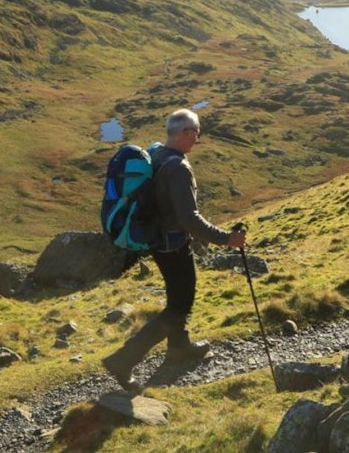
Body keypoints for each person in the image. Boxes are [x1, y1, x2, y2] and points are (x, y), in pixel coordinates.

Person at [102, 108, 246, 390]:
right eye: (196, 134)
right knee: (179, 306)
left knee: (178, 299)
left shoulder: (157, 155)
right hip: (172, 245)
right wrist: (226, 238)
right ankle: (123, 359)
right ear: (185, 133)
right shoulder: (178, 167)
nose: (197, 140)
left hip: (159, 242)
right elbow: (188, 218)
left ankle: (179, 348)